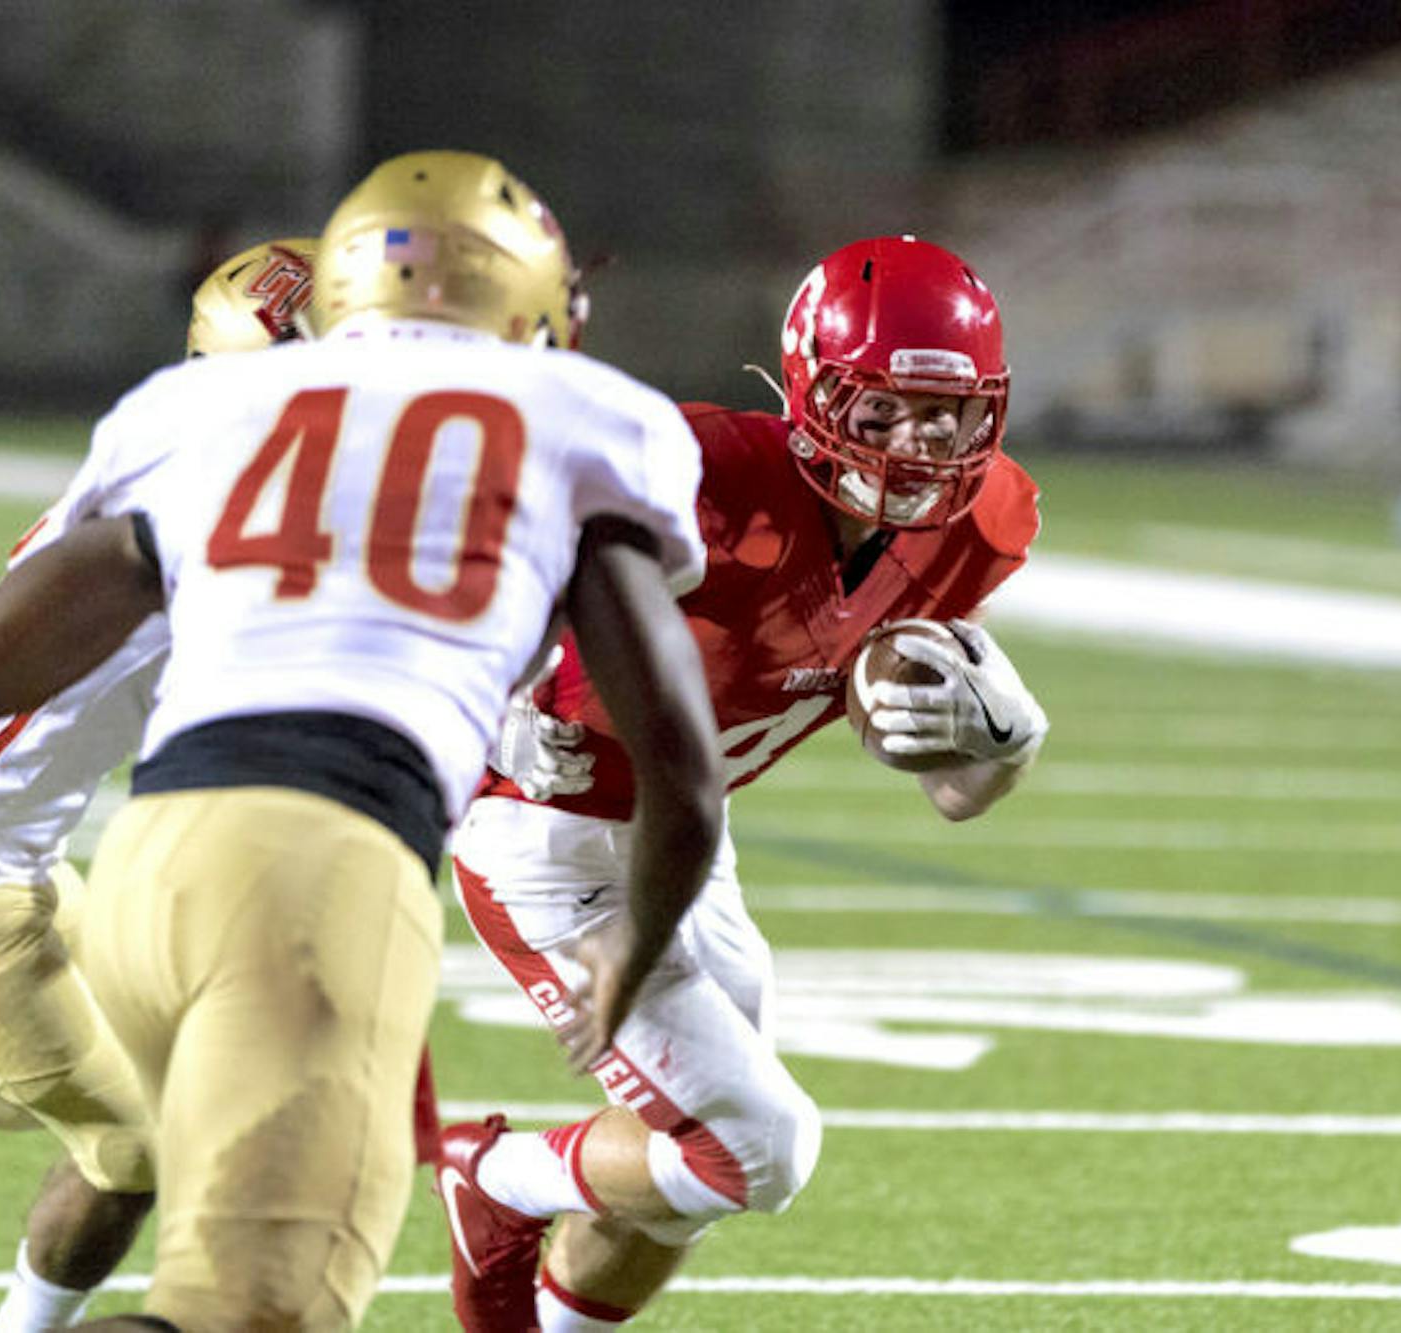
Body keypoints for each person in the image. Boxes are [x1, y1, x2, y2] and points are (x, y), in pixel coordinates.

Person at [0, 149, 726, 1331]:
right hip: (314, 863)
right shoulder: (586, 418)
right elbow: (682, 769)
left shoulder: (194, 412)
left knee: (184, 1218)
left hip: (149, 862)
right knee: (254, 1312)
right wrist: (630, 951)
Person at [435, 235, 1047, 1332]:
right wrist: (493, 694)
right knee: (754, 1145)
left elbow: (953, 792)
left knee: (682, 1178)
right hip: (545, 837)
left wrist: (1009, 745)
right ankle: (493, 1178)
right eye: (883, 409)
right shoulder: (696, 471)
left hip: (688, 846)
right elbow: (464, 544)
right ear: (813, 391)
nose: (920, 442)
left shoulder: (980, 525)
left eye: (946, 414)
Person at [0, 236, 314, 1332]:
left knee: (148, 1071)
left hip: (21, 846)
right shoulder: (211, 519)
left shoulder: (173, 452)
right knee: (136, 1145)